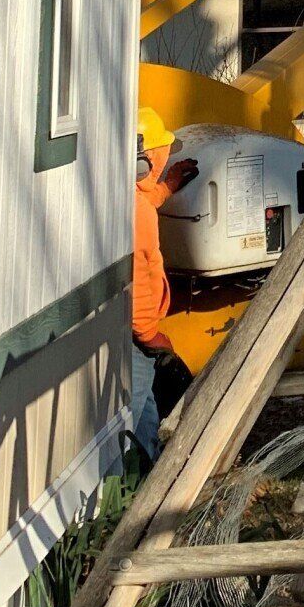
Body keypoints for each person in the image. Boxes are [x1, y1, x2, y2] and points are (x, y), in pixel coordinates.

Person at [131, 110, 196, 460]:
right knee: (141, 407)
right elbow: (138, 276)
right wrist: (148, 334)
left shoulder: (130, 197)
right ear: (144, 161)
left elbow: (143, 196)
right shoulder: (138, 212)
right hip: (135, 335)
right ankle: (147, 477)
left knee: (146, 403)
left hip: (125, 331)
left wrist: (167, 187)